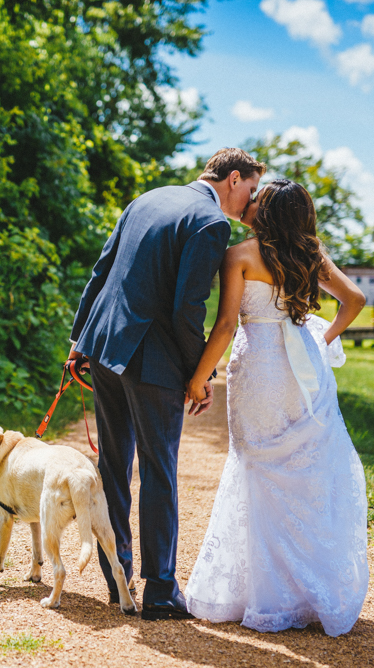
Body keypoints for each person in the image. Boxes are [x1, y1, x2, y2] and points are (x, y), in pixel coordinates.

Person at [67, 148, 265, 620]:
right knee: (158, 468)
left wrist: (79, 340)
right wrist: (199, 374)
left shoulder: (147, 198)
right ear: (233, 178)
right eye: (251, 190)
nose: (250, 203)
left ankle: (118, 581)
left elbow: (102, 270)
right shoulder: (210, 223)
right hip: (152, 361)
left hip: (105, 348)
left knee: (114, 466)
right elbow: (186, 310)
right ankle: (158, 591)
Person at [183, 179, 369, 636]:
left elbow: (226, 325)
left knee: (255, 466)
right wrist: (321, 343)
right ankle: (306, 591)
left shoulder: (240, 255)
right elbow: (355, 300)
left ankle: (261, 592)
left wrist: (198, 379)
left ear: (265, 214)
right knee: (303, 474)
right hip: (303, 367)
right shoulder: (310, 254)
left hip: (260, 368)